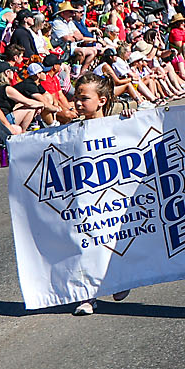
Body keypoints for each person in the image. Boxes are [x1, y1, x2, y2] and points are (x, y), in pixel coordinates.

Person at [70, 75, 135, 315]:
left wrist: (129, 123)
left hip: (112, 195)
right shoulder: (71, 128)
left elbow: (134, 139)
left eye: (83, 99)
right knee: (86, 243)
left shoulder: (114, 123)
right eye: (76, 98)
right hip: (84, 196)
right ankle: (88, 296)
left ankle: (119, 278)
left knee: (112, 240)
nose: (77, 103)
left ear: (101, 101)